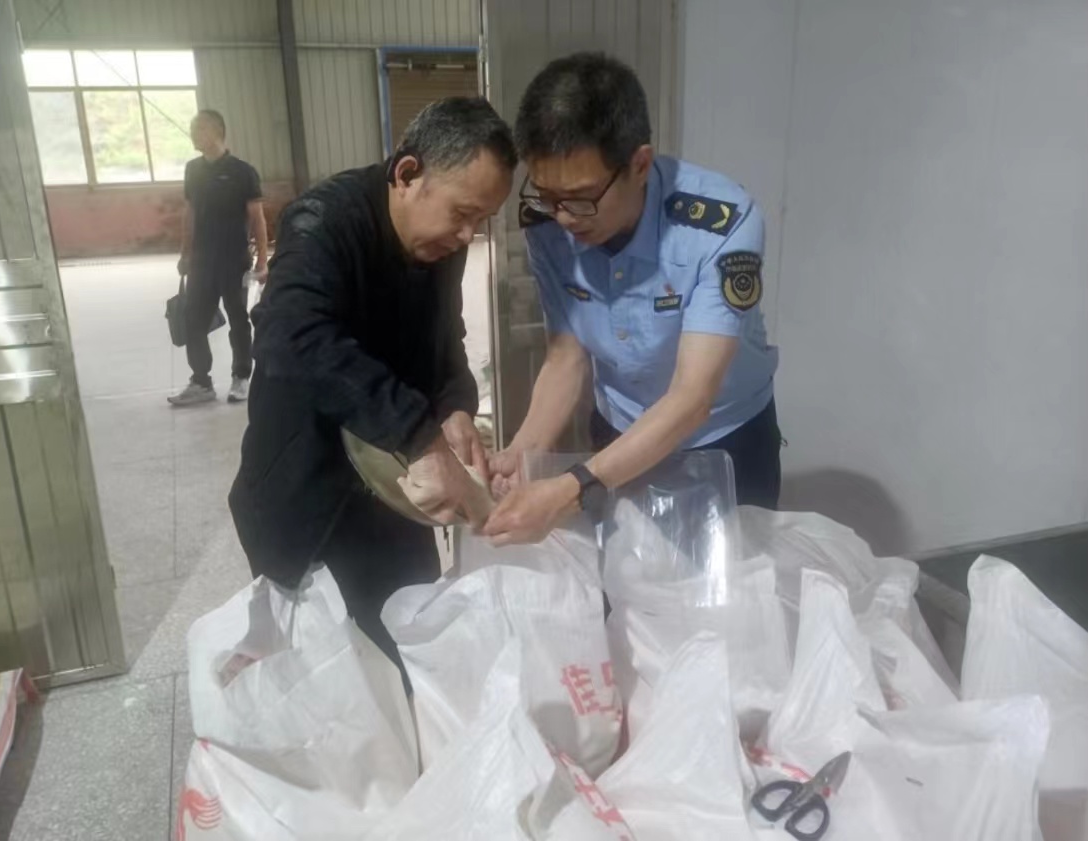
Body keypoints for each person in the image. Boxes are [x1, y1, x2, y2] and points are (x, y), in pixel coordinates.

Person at [229, 97, 516, 665]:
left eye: (480, 221)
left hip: (391, 493)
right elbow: (290, 337)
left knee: (409, 643)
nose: (467, 236)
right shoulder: (322, 221)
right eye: (462, 213)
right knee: (321, 666)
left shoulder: (440, 242)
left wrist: (455, 407)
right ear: (407, 174)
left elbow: (445, 337)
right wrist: (420, 436)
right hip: (304, 492)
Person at [483, 53, 781, 546]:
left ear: (639, 164)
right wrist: (524, 449)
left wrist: (572, 489)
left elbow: (692, 398)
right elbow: (566, 355)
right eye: (547, 196)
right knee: (625, 574)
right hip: (618, 433)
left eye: (580, 197)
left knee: (732, 581)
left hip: (726, 437)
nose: (564, 218)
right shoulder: (547, 224)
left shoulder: (721, 224)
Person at [169, 109, 268, 407]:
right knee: (194, 320)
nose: (193, 134)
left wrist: (263, 261)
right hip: (201, 262)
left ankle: (241, 377)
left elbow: (257, 218)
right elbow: (190, 214)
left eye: (198, 128)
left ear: (216, 131)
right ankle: (201, 382)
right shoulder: (192, 170)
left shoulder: (242, 172)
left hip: (234, 260)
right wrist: (185, 253)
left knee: (238, 319)